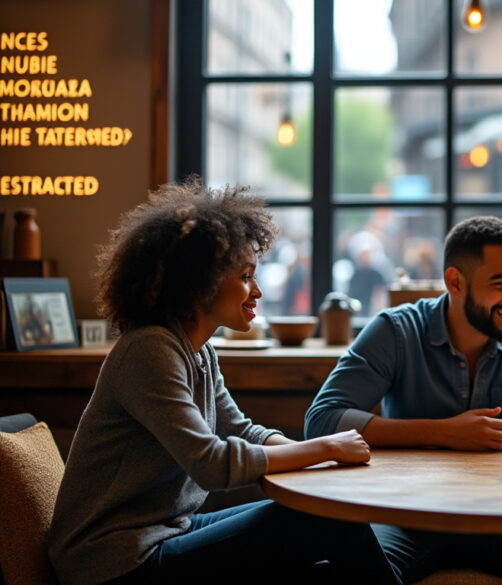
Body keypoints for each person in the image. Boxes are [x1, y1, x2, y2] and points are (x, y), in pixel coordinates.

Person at [47, 180, 397, 585]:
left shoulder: (199, 350)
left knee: (327, 531)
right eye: (246, 276)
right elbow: (211, 464)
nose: (258, 291)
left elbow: (240, 430)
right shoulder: (148, 351)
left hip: (164, 531)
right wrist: (325, 446)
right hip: (112, 561)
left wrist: (311, 454)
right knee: (332, 518)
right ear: (201, 281)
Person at [305, 215, 502, 585]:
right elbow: (323, 420)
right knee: (349, 565)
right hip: (410, 515)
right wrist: (443, 433)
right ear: (455, 282)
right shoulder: (397, 330)